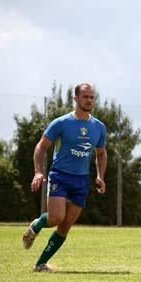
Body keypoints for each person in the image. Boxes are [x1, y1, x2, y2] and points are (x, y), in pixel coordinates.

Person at [22, 83, 107, 272]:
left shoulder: (99, 127)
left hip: (81, 180)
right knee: (56, 218)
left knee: (66, 224)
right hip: (60, 176)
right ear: (76, 98)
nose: (89, 100)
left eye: (92, 97)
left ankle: (40, 264)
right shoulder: (61, 123)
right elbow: (40, 147)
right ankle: (36, 226)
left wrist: (100, 176)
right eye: (85, 96)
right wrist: (38, 171)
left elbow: (101, 153)